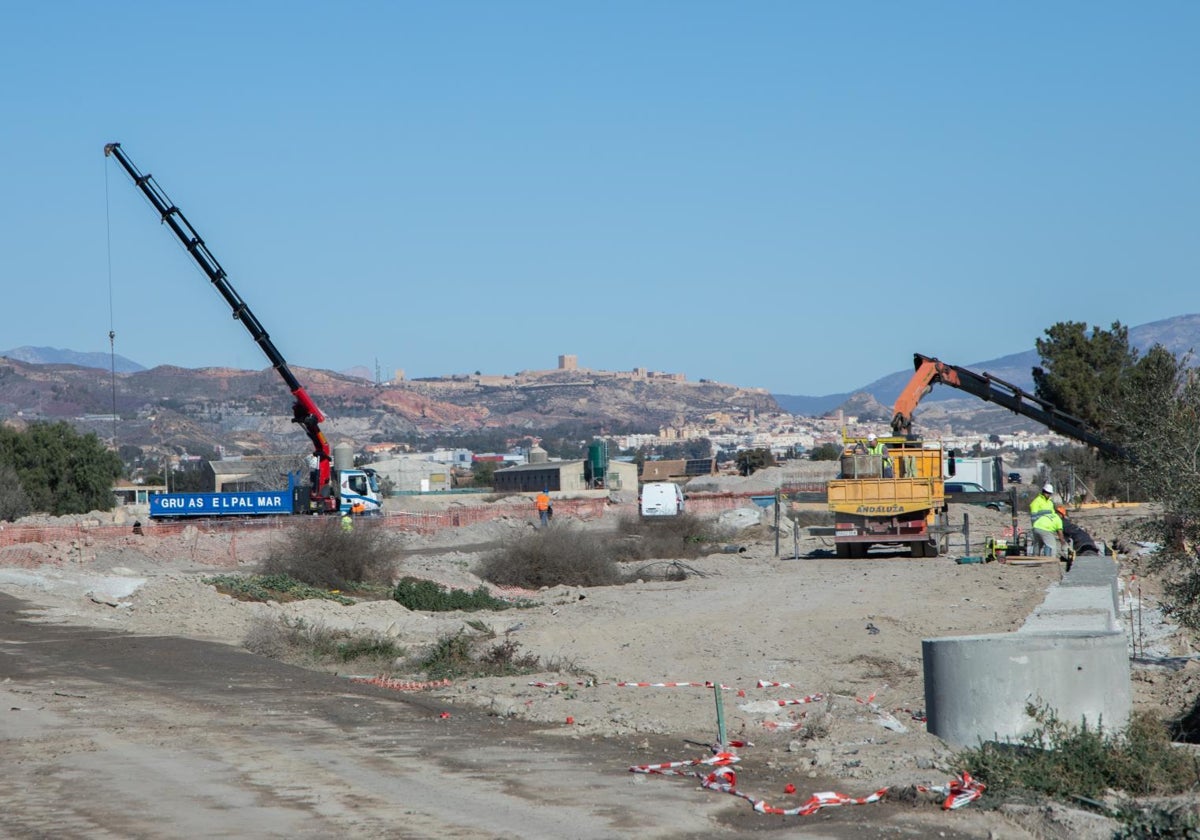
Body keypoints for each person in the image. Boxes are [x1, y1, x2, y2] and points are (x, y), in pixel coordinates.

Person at [1029, 483, 1063, 557]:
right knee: (1039, 544)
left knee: (1041, 543)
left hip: (1047, 526)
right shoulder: (1036, 502)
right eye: (1047, 493)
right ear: (1043, 491)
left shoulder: (1050, 503)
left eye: (1049, 493)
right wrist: (1034, 526)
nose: (1048, 494)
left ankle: (1041, 558)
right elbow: (1033, 516)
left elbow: (1053, 515)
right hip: (1038, 525)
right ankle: (1037, 558)